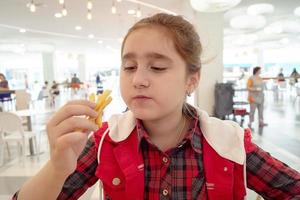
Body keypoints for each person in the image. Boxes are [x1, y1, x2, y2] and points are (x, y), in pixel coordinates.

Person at [12, 13, 300, 200]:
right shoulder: (106, 141)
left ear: (192, 79)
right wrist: (57, 167)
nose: (138, 79)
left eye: (158, 67)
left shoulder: (230, 142)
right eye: (129, 66)